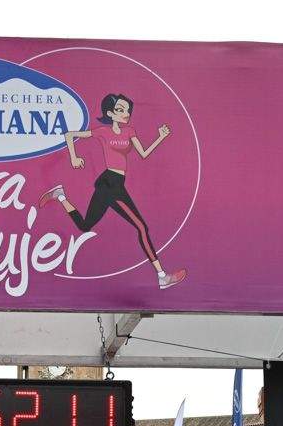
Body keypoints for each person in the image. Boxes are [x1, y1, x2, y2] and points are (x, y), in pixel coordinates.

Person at [36, 93, 186, 290]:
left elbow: (144, 153)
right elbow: (69, 135)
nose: (126, 114)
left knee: (85, 225)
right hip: (109, 183)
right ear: (110, 113)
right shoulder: (102, 132)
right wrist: (74, 157)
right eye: (120, 110)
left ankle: (60, 195)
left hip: (115, 184)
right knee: (141, 227)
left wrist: (160, 137)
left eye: (127, 110)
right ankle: (161, 276)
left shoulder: (130, 131)